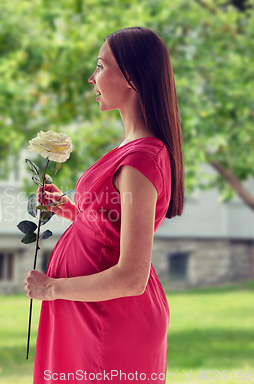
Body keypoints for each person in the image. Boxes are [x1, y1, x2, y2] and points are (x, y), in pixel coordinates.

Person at [24, 27, 184, 384]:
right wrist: (67, 208)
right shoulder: (129, 148)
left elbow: (131, 277)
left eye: (100, 66)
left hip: (108, 322)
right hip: (88, 314)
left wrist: (51, 289)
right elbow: (110, 226)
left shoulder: (142, 158)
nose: (91, 77)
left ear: (131, 76)